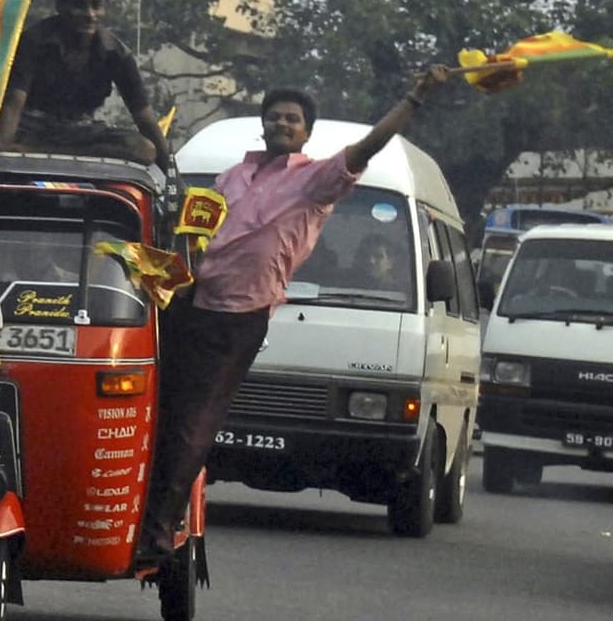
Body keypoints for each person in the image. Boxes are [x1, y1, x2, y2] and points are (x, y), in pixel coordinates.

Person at [139, 65, 451, 560]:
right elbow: (195, 233)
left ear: (306, 133)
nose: (283, 123)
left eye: (293, 119)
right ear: (263, 125)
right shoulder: (230, 175)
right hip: (187, 303)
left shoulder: (315, 180)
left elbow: (369, 146)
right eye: (275, 117)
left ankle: (158, 531)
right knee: (152, 408)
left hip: (239, 315)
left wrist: (414, 97)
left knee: (193, 425)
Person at [0, 0, 172, 171]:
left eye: (96, 6)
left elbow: (145, 118)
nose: (90, 15)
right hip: (32, 127)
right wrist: (2, 149)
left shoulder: (116, 53)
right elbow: (14, 102)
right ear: (60, 6)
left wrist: (173, 179)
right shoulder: (34, 41)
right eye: (80, 6)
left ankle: (38, 153)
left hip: (79, 134)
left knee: (144, 149)